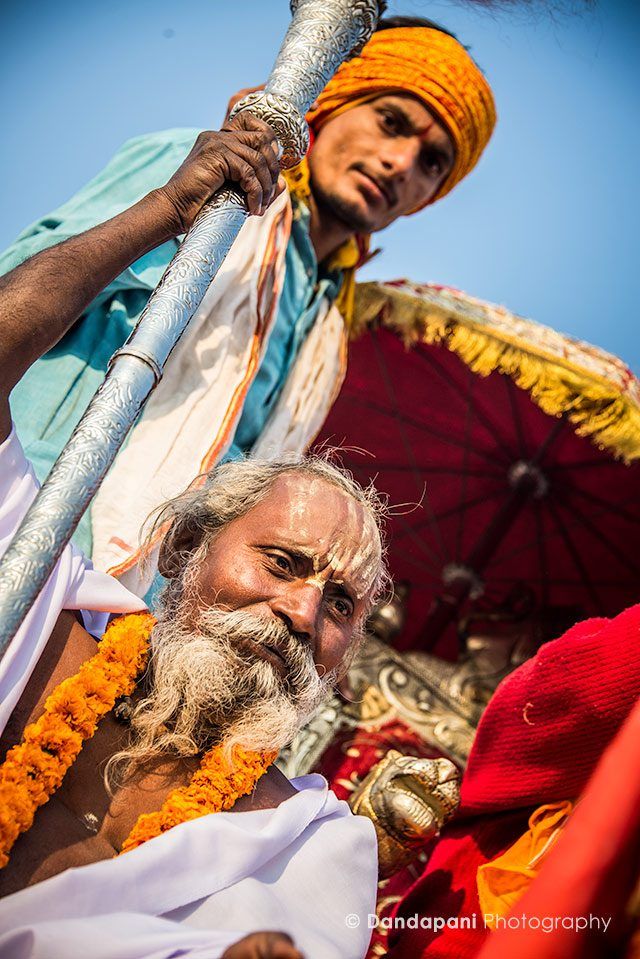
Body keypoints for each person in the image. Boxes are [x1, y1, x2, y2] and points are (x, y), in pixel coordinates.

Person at [0, 129, 388, 959]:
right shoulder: (34, 609)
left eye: (341, 605)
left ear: (347, 654)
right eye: (282, 562)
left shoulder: (310, 841)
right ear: (179, 552)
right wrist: (167, 211)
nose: (300, 609)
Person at [0, 16, 496, 594]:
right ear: (333, 101)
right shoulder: (206, 181)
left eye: (432, 162)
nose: (401, 163)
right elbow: (14, 294)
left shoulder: (330, 325)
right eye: (390, 122)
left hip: (137, 609)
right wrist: (171, 206)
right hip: (29, 515)